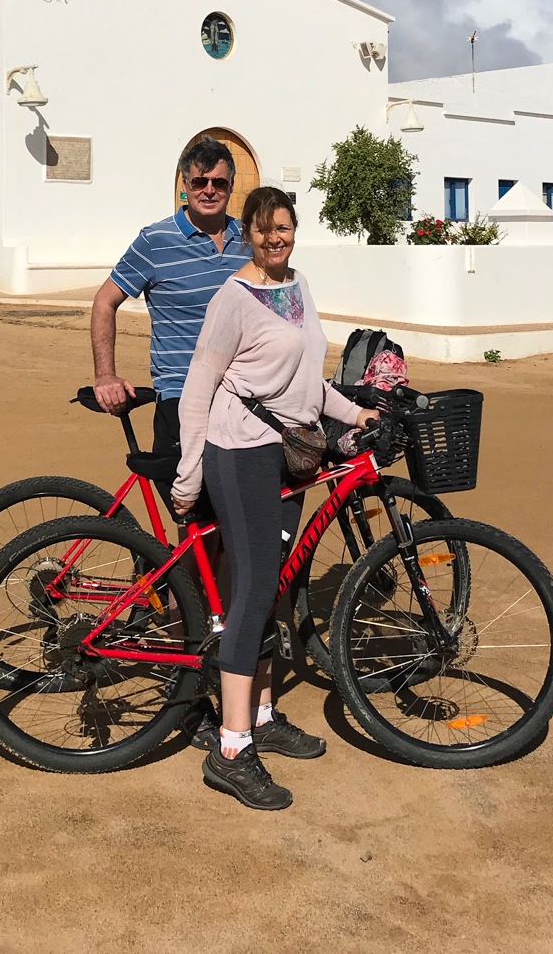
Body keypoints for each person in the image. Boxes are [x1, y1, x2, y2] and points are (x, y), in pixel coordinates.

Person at [172, 186, 375, 811]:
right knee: (255, 589)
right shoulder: (232, 299)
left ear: (294, 229)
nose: (275, 238)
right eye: (263, 230)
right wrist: (189, 472)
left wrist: (355, 412)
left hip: (288, 450)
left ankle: (261, 715)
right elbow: (198, 386)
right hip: (240, 453)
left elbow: (306, 379)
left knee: (277, 586)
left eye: (283, 227)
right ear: (249, 235)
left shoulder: (299, 287)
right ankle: (231, 748)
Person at [90, 135, 252, 744]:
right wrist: (107, 375)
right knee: (201, 545)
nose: (209, 190)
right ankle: (200, 687)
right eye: (199, 181)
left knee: (236, 539)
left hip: (245, 410)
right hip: (183, 408)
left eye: (219, 182)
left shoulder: (247, 239)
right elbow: (105, 301)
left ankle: (227, 661)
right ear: (184, 182)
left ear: (229, 187)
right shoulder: (157, 238)